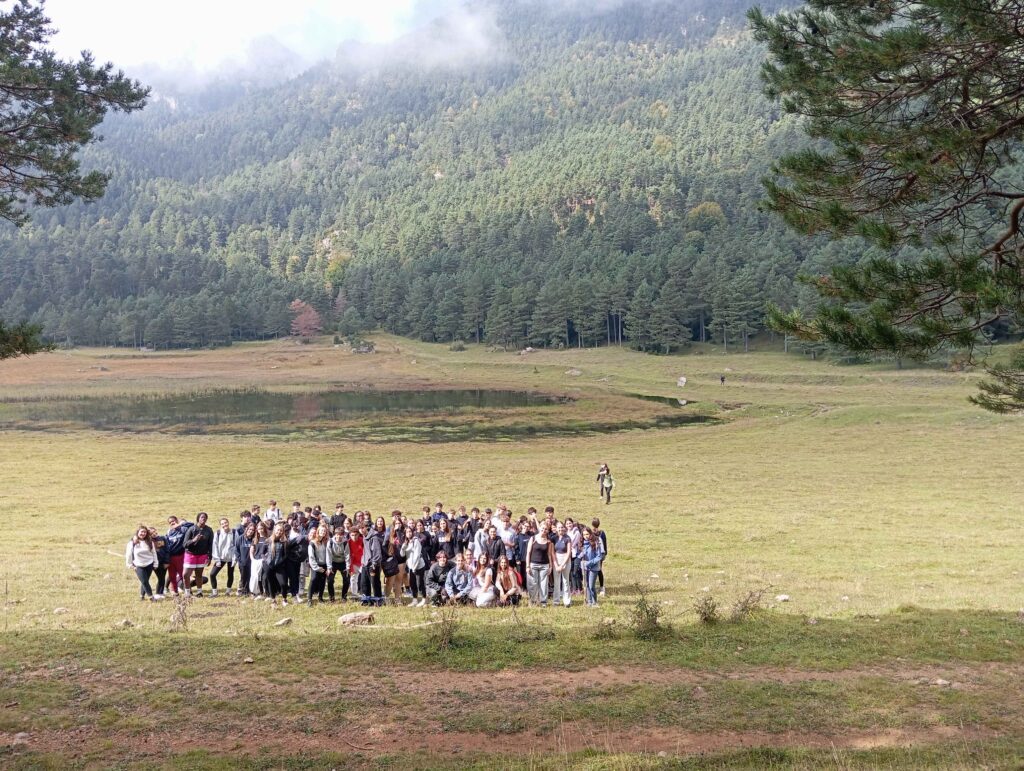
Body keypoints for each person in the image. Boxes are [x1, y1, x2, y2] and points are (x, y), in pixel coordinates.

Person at [181, 512, 214, 597]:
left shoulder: (209, 530)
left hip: (202, 555)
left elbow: (210, 544)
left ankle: (199, 592)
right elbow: (184, 544)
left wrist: (210, 557)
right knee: (186, 574)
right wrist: (194, 540)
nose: (203, 518)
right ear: (198, 518)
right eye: (202, 517)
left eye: (205, 517)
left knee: (199, 574)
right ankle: (187, 592)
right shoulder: (191, 529)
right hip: (190, 555)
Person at [125, 525, 158, 601]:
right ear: (138, 532)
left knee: (145, 581)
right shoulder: (132, 542)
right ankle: (151, 597)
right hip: (138, 565)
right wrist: (130, 565)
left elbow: (154, 553)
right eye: (141, 532)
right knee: (144, 581)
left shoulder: (150, 542)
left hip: (149, 564)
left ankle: (141, 596)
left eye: (145, 532)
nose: (143, 533)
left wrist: (155, 563)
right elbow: (129, 554)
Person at [526, 524, 555, 606]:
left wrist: (551, 566)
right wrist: (527, 566)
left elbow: (549, 555)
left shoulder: (549, 541)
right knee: (532, 584)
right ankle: (533, 601)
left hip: (544, 565)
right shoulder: (533, 538)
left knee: (544, 585)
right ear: (539, 528)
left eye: (546, 529)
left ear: (548, 531)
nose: (544, 530)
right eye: (542, 528)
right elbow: (528, 553)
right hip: (533, 564)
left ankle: (543, 602)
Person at [164, 515, 192, 596]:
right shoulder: (169, 532)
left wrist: (181, 524)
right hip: (171, 557)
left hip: (181, 555)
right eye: (170, 522)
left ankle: (188, 591)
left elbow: (192, 525)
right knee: (172, 575)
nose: (172, 523)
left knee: (183, 575)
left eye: (173, 521)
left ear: (177, 520)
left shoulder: (183, 529)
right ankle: (174, 591)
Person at [264, 522, 290, 606]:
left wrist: (280, 561)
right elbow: (262, 553)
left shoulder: (285, 542)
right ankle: (273, 600)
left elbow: (286, 555)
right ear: (274, 530)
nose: (279, 532)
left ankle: (284, 599)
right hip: (268, 565)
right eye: (278, 530)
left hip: (279, 566)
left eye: (281, 530)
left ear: (283, 532)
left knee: (283, 583)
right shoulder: (268, 540)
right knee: (270, 582)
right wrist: (266, 560)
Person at [401, 525, 427, 607]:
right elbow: (402, 555)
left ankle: (424, 599)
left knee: (420, 584)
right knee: (412, 584)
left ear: (412, 532)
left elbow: (417, 555)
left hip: (418, 566)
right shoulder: (406, 542)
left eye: (410, 532)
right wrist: (403, 547)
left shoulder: (416, 541)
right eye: (407, 532)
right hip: (411, 567)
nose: (409, 533)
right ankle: (415, 600)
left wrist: (414, 568)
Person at [209, 517, 236, 597]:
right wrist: (217, 560)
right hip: (221, 558)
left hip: (231, 558)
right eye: (222, 524)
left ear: (228, 522)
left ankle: (228, 591)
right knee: (212, 574)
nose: (224, 524)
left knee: (230, 574)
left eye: (225, 522)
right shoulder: (218, 533)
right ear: (220, 525)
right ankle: (214, 592)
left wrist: (234, 559)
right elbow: (215, 546)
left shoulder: (234, 532)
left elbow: (236, 546)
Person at [306, 523, 331, 605]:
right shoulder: (312, 543)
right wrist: (316, 568)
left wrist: (328, 567)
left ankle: (320, 598)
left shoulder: (326, 542)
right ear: (318, 531)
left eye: (324, 531)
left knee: (322, 581)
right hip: (316, 566)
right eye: (321, 530)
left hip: (324, 565)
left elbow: (329, 555)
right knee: (313, 579)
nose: (323, 532)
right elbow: (311, 557)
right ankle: (309, 599)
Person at [581, 529, 605, 607]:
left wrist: (589, 563)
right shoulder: (583, 544)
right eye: (584, 535)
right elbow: (580, 555)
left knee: (591, 586)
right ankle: (589, 601)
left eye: (587, 534)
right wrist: (580, 557)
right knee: (587, 585)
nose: (585, 536)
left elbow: (599, 556)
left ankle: (595, 602)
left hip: (593, 567)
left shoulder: (596, 542)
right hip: (585, 567)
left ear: (590, 534)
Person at [326, 524, 349, 602]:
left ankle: (344, 597)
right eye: (337, 535)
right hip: (333, 562)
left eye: (340, 535)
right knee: (330, 580)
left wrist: (348, 567)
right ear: (335, 534)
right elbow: (328, 555)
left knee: (347, 580)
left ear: (343, 535)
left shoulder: (345, 543)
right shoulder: (330, 542)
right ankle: (331, 597)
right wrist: (329, 567)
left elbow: (347, 555)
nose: (339, 537)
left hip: (343, 562)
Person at [552, 522, 572, 607]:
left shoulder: (567, 538)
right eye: (559, 527)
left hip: (565, 560)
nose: (560, 529)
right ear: (556, 529)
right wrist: (556, 565)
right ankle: (556, 601)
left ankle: (567, 601)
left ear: (564, 528)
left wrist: (563, 564)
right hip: (556, 559)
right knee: (556, 581)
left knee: (565, 581)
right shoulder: (553, 538)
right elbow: (552, 552)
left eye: (562, 527)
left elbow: (569, 552)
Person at [148, 527, 168, 600]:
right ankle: (158, 593)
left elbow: (167, 550)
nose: (154, 533)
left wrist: (166, 561)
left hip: (164, 562)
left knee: (162, 577)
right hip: (155, 563)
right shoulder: (149, 541)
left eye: (154, 531)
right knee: (160, 577)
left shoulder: (163, 538)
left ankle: (160, 592)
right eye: (151, 533)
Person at [249, 522, 268, 598]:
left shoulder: (267, 539)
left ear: (264, 529)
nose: (260, 530)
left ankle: (263, 593)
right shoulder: (255, 539)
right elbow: (251, 551)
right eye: (259, 529)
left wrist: (264, 559)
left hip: (263, 561)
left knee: (262, 577)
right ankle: (254, 592)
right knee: (255, 577)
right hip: (255, 561)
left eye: (261, 528)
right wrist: (252, 559)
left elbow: (269, 551)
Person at [235, 523, 255, 597]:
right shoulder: (240, 538)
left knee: (250, 576)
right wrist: (239, 560)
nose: (251, 531)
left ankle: (248, 590)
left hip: (251, 562)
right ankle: (242, 590)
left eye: (253, 530)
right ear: (247, 529)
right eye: (250, 529)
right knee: (243, 577)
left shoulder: (254, 539)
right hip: (242, 562)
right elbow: (236, 550)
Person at [591, 518, 608, 597]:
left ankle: (601, 587)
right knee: (597, 570)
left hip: (599, 554)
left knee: (598, 570)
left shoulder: (600, 533)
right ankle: (598, 587)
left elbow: (604, 544)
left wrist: (604, 554)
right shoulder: (595, 532)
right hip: (596, 554)